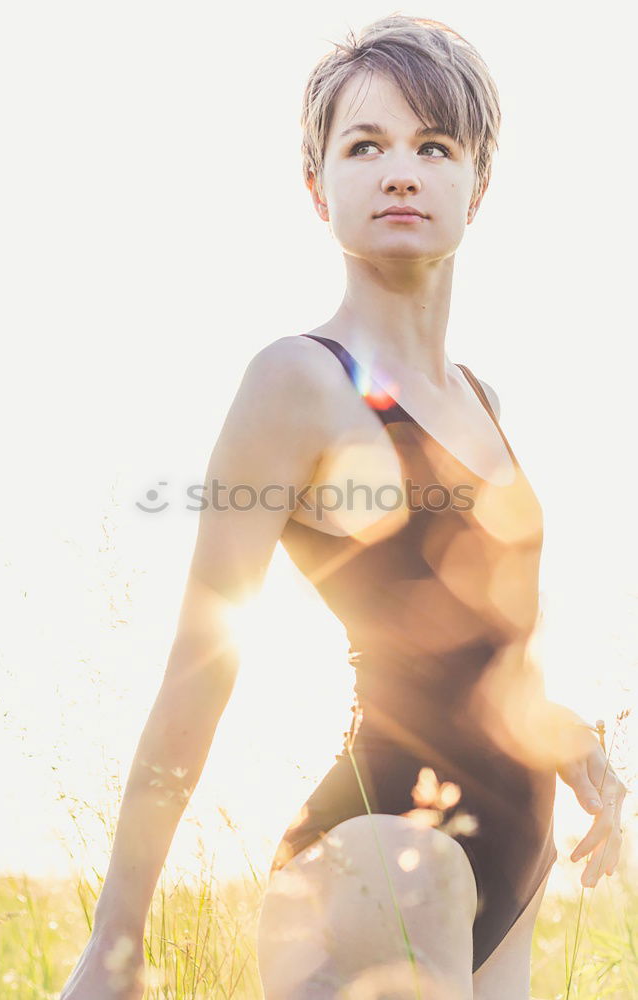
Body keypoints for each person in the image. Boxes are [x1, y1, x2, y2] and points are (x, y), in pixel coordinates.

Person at [60, 15, 627, 1000]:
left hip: (515, 853)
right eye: (365, 146)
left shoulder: (483, 399)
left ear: (478, 186)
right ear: (317, 186)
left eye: (433, 146)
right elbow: (201, 666)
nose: (400, 172)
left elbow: (473, 649)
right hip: (383, 855)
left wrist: (565, 735)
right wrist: (116, 941)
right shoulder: (297, 381)